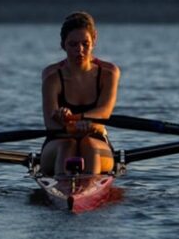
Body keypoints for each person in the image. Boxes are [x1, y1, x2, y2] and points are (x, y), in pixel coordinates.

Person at [40, 12, 120, 176]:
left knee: (88, 145)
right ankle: (64, 194)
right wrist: (74, 125)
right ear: (63, 45)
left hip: (96, 140)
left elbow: (103, 113)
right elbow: (51, 125)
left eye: (85, 44)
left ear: (94, 40)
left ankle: (86, 191)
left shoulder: (108, 74)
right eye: (73, 44)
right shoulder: (52, 78)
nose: (80, 50)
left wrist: (76, 119)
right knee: (67, 145)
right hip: (57, 142)